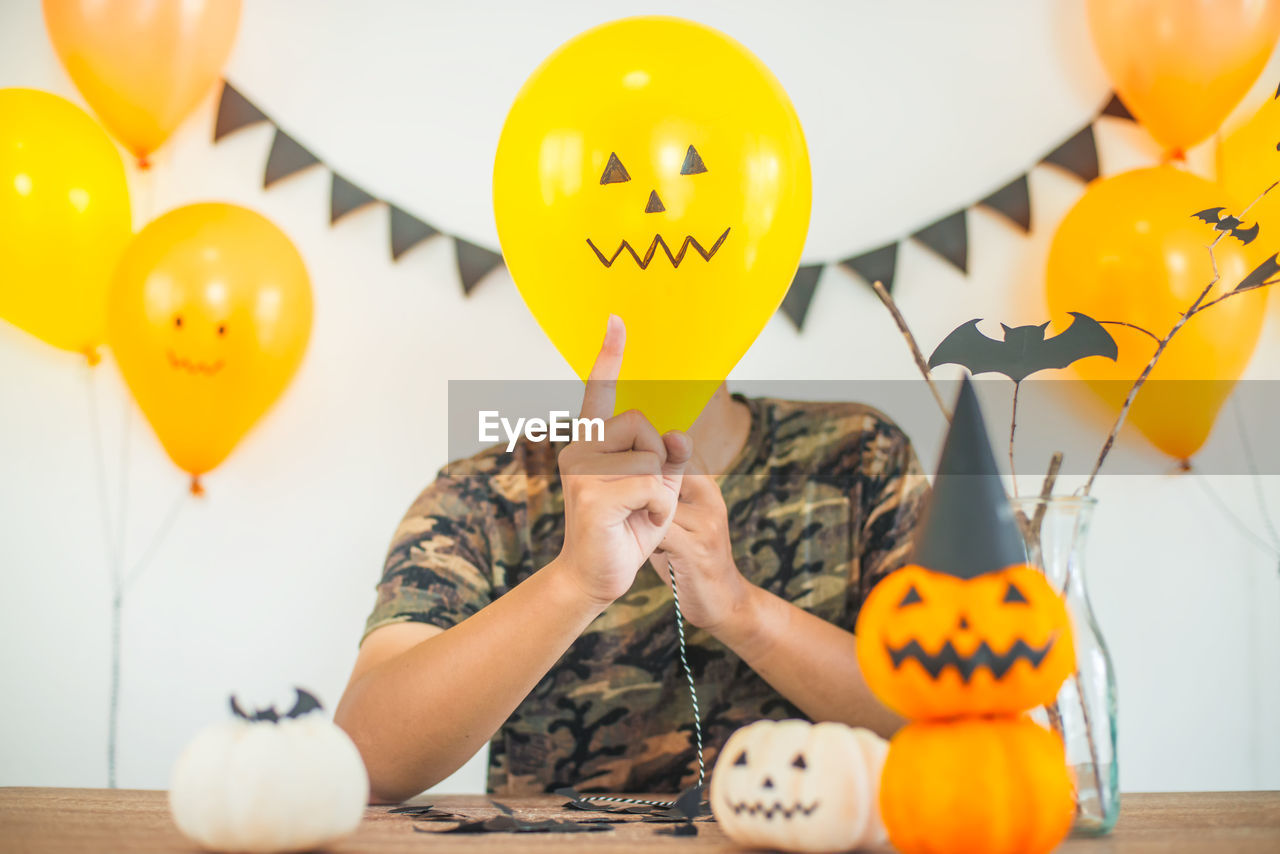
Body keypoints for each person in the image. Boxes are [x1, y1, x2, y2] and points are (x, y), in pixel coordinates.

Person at [335, 315, 928, 802]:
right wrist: (573, 584)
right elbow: (366, 759)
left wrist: (738, 608)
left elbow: (944, 723)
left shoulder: (862, 458)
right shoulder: (484, 493)